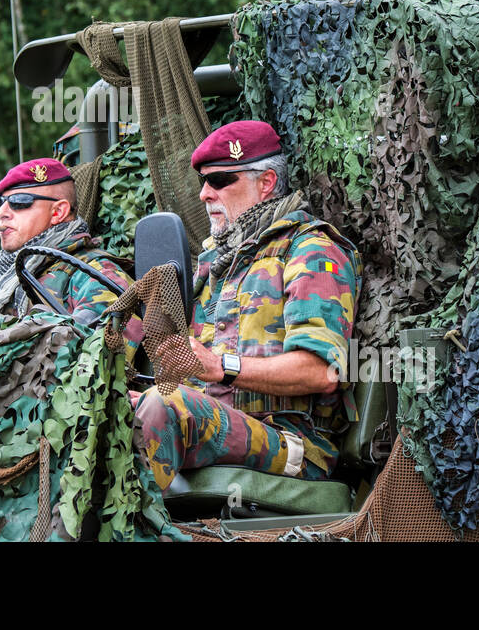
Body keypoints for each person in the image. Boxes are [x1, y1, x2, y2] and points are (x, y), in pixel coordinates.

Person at [133, 121, 361, 491]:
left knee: (162, 407)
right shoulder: (215, 265)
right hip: (217, 422)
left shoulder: (311, 251)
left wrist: (218, 366)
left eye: (220, 181)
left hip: (294, 443)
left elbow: (321, 371)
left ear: (266, 183)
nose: (205, 194)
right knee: (113, 410)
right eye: (203, 183)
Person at [0, 158, 132, 329]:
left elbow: (104, 350)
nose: (1, 212)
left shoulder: (95, 275)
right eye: (2, 202)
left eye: (18, 201)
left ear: (58, 212)